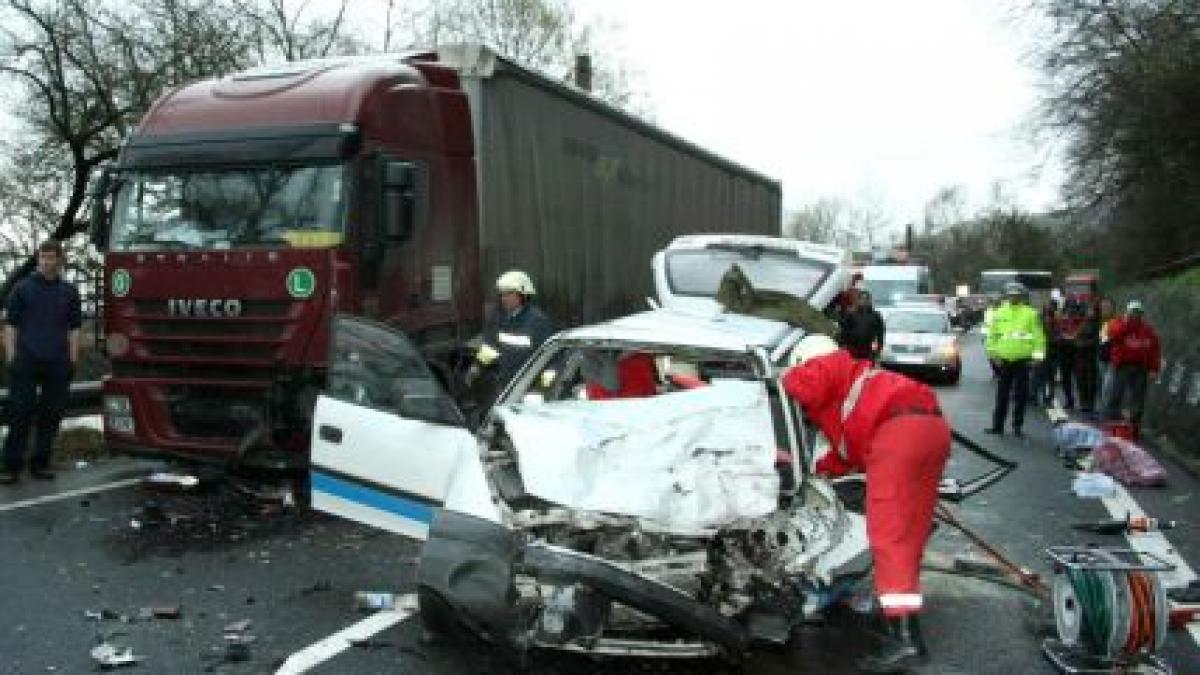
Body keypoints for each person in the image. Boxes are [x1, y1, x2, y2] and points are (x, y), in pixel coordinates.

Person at [782, 334, 950, 672]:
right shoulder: (853, 382)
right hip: (930, 429)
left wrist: (777, 380)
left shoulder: (826, 363)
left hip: (898, 435)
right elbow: (846, 452)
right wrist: (819, 474)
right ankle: (904, 626)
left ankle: (905, 642)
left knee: (888, 537)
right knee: (909, 533)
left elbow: (806, 384)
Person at [2, 240, 82, 484]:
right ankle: (10, 467)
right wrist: (12, 357)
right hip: (26, 360)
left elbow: (75, 328)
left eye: (51, 257)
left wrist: (73, 360)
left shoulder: (69, 291)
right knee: (20, 413)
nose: (46, 262)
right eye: (42, 257)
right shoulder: (22, 288)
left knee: (51, 415)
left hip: (57, 361)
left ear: (59, 260)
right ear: (38, 260)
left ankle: (40, 464)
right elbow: (10, 325)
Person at [466, 270, 556, 405]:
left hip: (529, 391)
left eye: (509, 294)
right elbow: (491, 348)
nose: (504, 298)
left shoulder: (538, 322)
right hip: (506, 386)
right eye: (502, 294)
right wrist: (477, 367)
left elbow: (551, 362)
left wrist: (541, 389)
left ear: (522, 295)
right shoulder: (500, 319)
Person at [984, 282, 1046, 438]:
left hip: (1023, 361)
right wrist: (993, 355)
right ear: (1007, 296)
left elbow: (1039, 337)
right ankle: (997, 426)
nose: (1013, 297)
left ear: (1021, 296)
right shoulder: (999, 313)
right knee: (1002, 395)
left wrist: (1038, 358)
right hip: (1004, 360)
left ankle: (1017, 426)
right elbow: (992, 336)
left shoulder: (1031, 313)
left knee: (1021, 395)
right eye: (1011, 295)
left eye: (1016, 295)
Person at [1102, 300, 1161, 438]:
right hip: (1121, 366)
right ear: (1127, 311)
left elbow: (1154, 350)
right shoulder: (1117, 323)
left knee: (1138, 401)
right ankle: (1110, 426)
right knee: (1114, 396)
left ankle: (1134, 430)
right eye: (1133, 312)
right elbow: (1112, 335)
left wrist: (1154, 369)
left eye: (1138, 312)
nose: (1135, 315)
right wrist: (1127, 324)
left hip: (1140, 368)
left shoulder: (1147, 330)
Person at [1073, 298, 1102, 417]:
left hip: (1092, 355)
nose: (1090, 312)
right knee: (1081, 379)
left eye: (1092, 310)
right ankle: (1083, 403)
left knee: (1091, 381)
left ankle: (1090, 404)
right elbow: (1076, 336)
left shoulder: (1098, 324)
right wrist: (1077, 342)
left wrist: (1083, 344)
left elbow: (1098, 340)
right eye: (1088, 310)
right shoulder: (1083, 323)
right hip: (1080, 356)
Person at [838, 289, 886, 361]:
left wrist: (879, 349)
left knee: (865, 368)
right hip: (852, 349)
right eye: (862, 299)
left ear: (869, 301)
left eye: (866, 299)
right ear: (858, 300)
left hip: (868, 349)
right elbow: (844, 330)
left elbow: (880, 333)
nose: (864, 301)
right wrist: (842, 345)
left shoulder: (876, 316)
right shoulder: (851, 314)